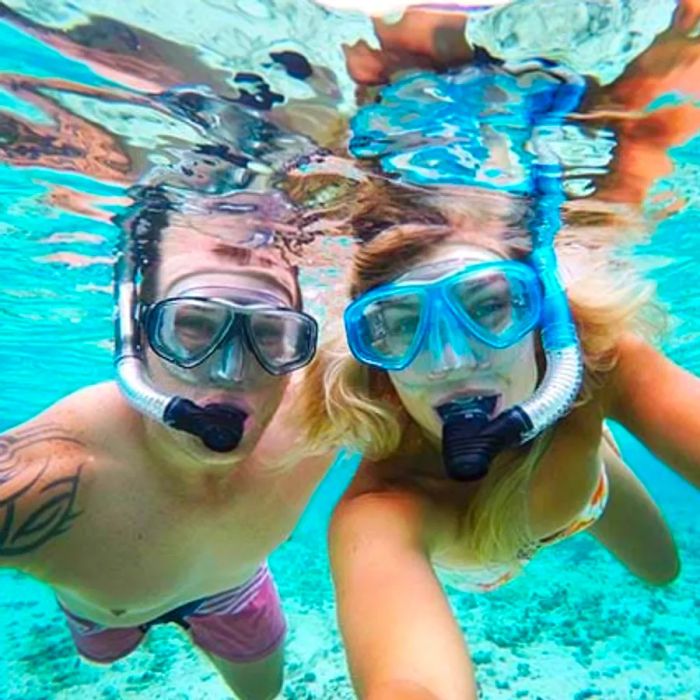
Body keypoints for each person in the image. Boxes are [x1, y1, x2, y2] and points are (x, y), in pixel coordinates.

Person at [299, 178, 699, 700]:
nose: (452, 362)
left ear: (545, 318)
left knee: (662, 570)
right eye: (402, 326)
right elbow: (412, 680)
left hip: (580, 497)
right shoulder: (385, 505)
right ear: (375, 355)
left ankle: (589, 446)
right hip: (492, 552)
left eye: (487, 308)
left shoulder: (597, 363)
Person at [0, 182, 332, 700]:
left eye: (269, 333)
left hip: (234, 589)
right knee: (107, 656)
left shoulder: (322, 417)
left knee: (264, 695)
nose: (230, 372)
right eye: (194, 325)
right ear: (135, 337)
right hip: (103, 611)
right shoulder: (49, 474)